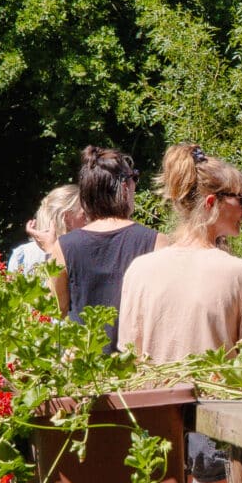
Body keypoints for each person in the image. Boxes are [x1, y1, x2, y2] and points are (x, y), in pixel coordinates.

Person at [118, 145, 242, 483]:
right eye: (240, 201)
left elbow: (128, 357)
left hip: (152, 424)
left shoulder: (141, 270)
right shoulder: (240, 274)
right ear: (211, 203)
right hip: (216, 424)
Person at [50, 146, 160, 350]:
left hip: (84, 368)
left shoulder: (64, 247)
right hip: (140, 368)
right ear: (125, 186)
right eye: (134, 177)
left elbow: (57, 309)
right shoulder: (157, 242)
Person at [9, 185, 83, 275]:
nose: (90, 220)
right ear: (66, 218)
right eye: (84, 214)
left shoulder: (21, 255)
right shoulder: (22, 256)